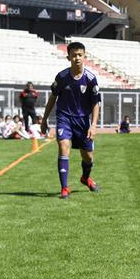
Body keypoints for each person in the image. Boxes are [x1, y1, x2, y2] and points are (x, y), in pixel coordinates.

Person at [40, 41, 102, 199]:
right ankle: (65, 188)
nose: (77, 58)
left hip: (83, 121)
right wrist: (44, 119)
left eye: (80, 55)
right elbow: (53, 98)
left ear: (85, 56)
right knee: (63, 146)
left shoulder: (90, 79)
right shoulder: (61, 77)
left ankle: (85, 178)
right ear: (68, 57)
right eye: (74, 55)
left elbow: (96, 103)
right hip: (64, 118)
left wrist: (93, 125)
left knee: (88, 156)